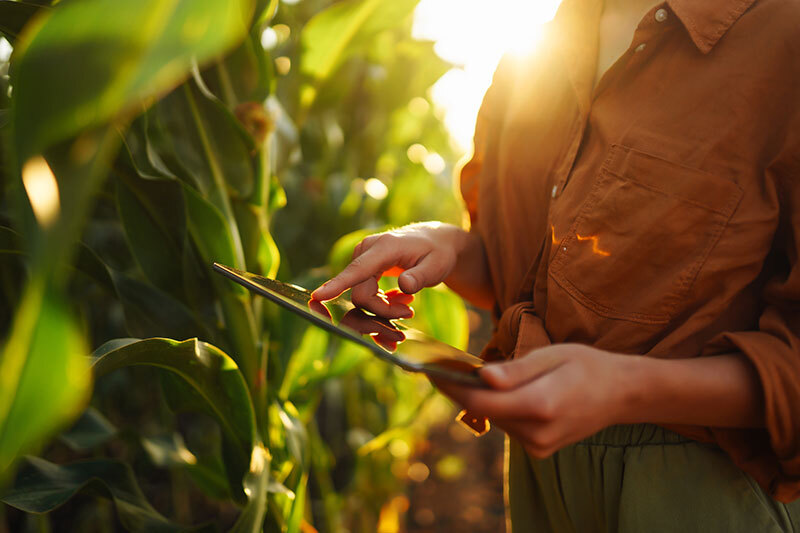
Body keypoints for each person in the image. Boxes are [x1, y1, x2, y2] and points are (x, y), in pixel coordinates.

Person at [312, 0, 800, 530]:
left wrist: (625, 390)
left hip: (704, 493)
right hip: (538, 481)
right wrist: (449, 247)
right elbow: (528, 281)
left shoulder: (783, 41)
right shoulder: (534, 51)